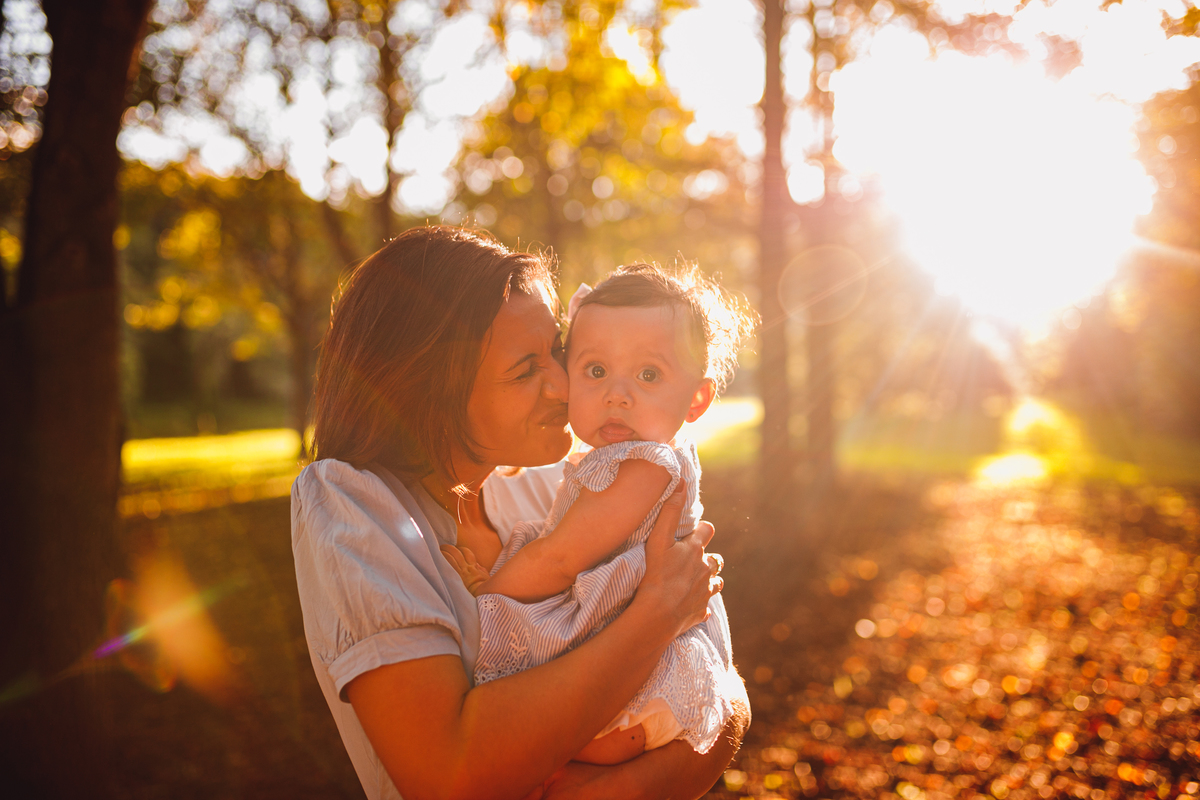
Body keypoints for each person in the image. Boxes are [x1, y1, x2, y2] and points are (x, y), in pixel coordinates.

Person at [291, 226, 750, 800]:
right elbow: (450, 773)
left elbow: (721, 690)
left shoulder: (560, 484)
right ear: (433, 390)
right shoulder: (355, 508)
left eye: (555, 352)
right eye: (526, 368)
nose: (563, 384)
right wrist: (655, 616)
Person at [441, 264, 756, 767]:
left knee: (569, 746)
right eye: (595, 370)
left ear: (697, 399)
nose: (617, 393)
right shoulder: (618, 457)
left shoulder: (644, 464)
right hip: (619, 629)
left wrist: (489, 599)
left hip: (639, 661)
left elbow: (561, 557)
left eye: (648, 375)